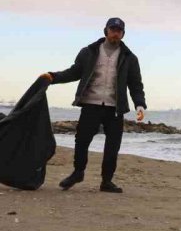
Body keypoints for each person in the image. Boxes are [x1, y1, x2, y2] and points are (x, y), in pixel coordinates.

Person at [40, 17, 146, 193]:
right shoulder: (88, 52)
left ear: (123, 34)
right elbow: (74, 72)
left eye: (119, 31)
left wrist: (140, 104)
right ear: (106, 31)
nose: (115, 33)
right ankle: (78, 172)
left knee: (113, 146)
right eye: (112, 29)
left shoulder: (129, 58)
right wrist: (53, 77)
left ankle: (106, 182)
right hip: (91, 104)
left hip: (115, 108)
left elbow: (135, 84)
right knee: (81, 141)